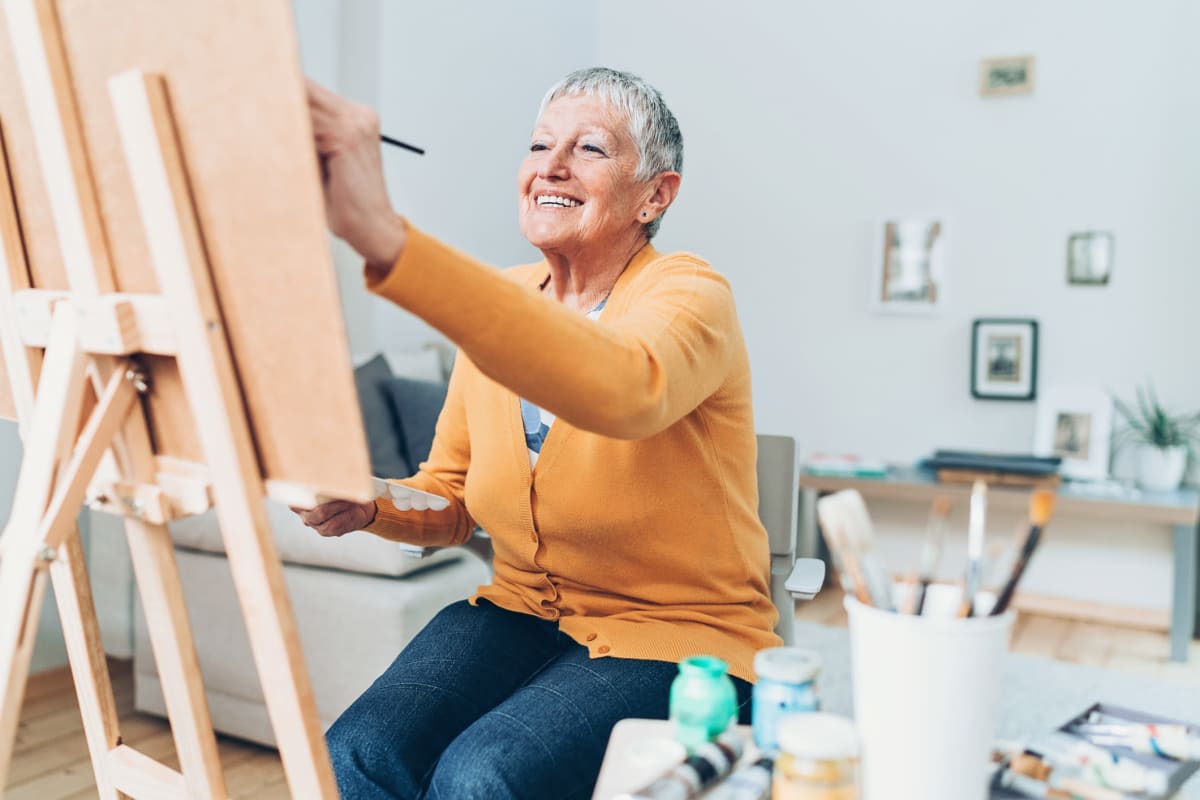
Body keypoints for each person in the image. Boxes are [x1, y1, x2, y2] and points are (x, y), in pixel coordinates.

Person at [298, 67, 780, 799]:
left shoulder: (690, 294)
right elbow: (452, 495)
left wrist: (392, 241)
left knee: (482, 776)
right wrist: (372, 504)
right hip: (522, 611)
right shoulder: (509, 299)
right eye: (539, 145)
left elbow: (624, 387)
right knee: (352, 755)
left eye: (589, 148)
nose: (551, 166)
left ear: (656, 195)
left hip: (678, 634)